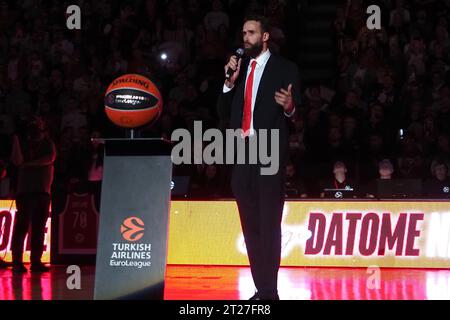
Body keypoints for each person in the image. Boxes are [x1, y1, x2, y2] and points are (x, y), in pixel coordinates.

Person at [217, 15, 300, 300]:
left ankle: (270, 289)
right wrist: (229, 82)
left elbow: (294, 114)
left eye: (251, 33)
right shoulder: (239, 69)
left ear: (265, 37)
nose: (246, 38)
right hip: (242, 153)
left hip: (269, 152)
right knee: (250, 225)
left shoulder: (285, 68)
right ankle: (261, 288)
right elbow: (222, 110)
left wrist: (290, 107)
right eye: (243, 33)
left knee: (268, 223)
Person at [9, 116, 56, 273]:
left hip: (41, 191)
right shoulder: (23, 144)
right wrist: (16, 140)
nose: (36, 134)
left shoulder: (48, 143)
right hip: (25, 191)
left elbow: (50, 158)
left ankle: (35, 261)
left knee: (38, 228)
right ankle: (17, 262)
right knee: (22, 228)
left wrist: (27, 165)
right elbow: (16, 161)